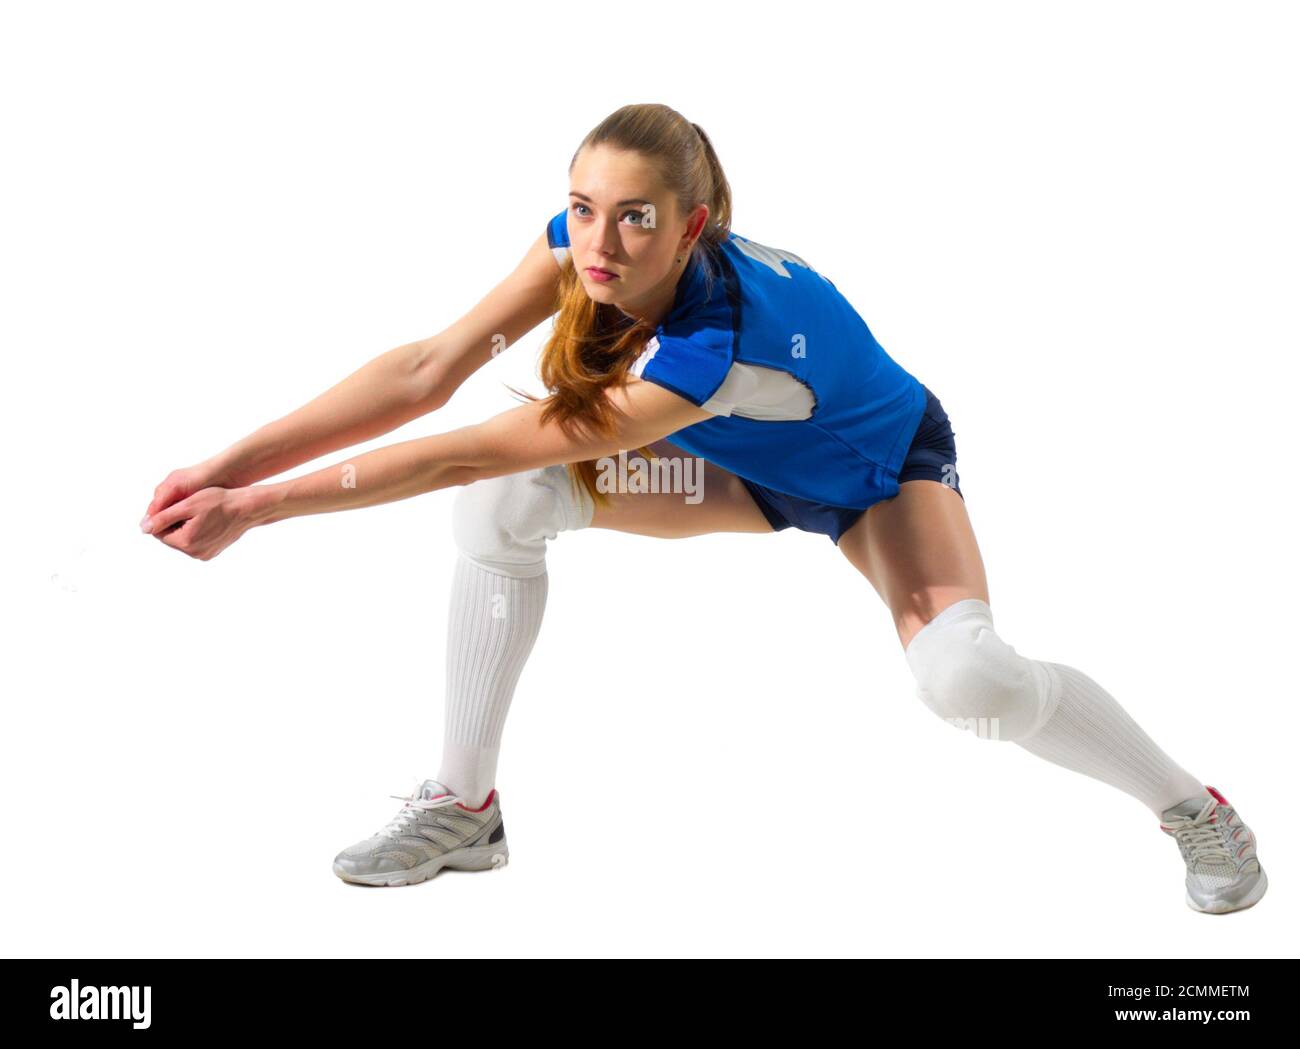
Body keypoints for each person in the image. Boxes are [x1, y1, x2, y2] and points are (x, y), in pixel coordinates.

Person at [140, 104, 1265, 913]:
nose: (596, 243)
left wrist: (262, 508)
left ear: (694, 222)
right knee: (507, 499)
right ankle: (465, 806)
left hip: (873, 473)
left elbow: (457, 444)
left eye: (633, 219)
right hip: (726, 468)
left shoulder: (709, 354)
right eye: (582, 208)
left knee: (969, 681)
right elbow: (428, 370)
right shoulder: (583, 252)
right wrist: (228, 461)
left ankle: (1192, 807)